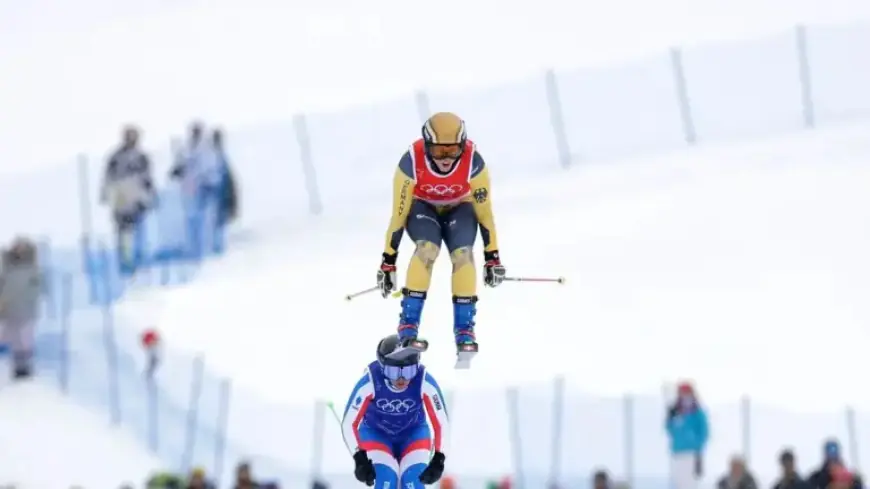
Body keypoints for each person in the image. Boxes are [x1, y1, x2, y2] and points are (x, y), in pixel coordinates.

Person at [376, 112, 506, 368]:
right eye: (438, 152)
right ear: (426, 146)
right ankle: (408, 327)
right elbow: (398, 216)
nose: (446, 159)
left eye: (452, 151)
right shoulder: (410, 162)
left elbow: (485, 213)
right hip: (423, 208)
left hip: (461, 207)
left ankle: (465, 330)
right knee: (427, 250)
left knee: (464, 255)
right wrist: (388, 262)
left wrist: (493, 257)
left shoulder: (473, 162)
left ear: (463, 146)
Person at [340, 334, 449, 488]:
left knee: (413, 482)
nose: (401, 379)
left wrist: (439, 459)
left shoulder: (424, 381)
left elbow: (442, 423)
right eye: (393, 372)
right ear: (382, 366)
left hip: (414, 435)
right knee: (386, 480)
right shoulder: (370, 381)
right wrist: (360, 458)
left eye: (409, 371)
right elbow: (348, 423)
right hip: (376, 435)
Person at [101, 125, 155, 275]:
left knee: (139, 232)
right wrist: (105, 194)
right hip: (122, 202)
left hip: (137, 201)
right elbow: (108, 178)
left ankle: (138, 262)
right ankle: (125, 263)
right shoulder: (116, 158)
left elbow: (148, 179)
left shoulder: (141, 157)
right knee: (123, 234)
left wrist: (150, 196)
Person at [0, 238, 41, 379]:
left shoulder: (32, 270)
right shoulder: (7, 268)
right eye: (17, 248)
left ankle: (22, 367)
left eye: (22, 248)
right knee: (10, 335)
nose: (19, 251)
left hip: (24, 310)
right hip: (8, 310)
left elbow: (37, 288)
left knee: (22, 339)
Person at [666, 382, 709, 489]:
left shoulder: (698, 412)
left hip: (692, 453)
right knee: (678, 482)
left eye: (687, 392)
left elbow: (704, 432)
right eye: (682, 393)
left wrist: (697, 445)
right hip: (677, 452)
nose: (684, 395)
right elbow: (669, 429)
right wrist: (670, 418)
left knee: (690, 483)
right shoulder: (675, 412)